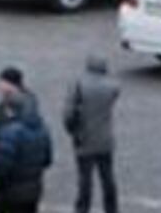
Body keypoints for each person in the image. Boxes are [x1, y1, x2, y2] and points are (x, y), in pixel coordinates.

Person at [63, 55, 120, 213]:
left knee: (85, 180)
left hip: (84, 138)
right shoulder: (112, 86)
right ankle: (112, 208)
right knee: (107, 178)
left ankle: (82, 209)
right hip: (105, 140)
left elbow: (68, 115)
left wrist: (72, 130)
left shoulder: (78, 85)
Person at [0, 92, 53, 213]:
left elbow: (3, 167)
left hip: (12, 192)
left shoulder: (10, 132)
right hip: (34, 190)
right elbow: (47, 160)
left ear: (12, 110)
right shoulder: (43, 129)